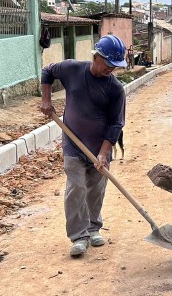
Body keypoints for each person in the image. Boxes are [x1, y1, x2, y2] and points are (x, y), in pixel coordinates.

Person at [39, 35, 127, 257]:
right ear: (96, 57)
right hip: (73, 143)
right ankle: (79, 236)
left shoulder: (116, 89)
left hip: (100, 146)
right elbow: (47, 71)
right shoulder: (72, 69)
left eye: (115, 65)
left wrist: (104, 153)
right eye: (108, 63)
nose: (111, 69)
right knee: (76, 188)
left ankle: (93, 227)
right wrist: (46, 99)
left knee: (96, 189)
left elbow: (116, 124)